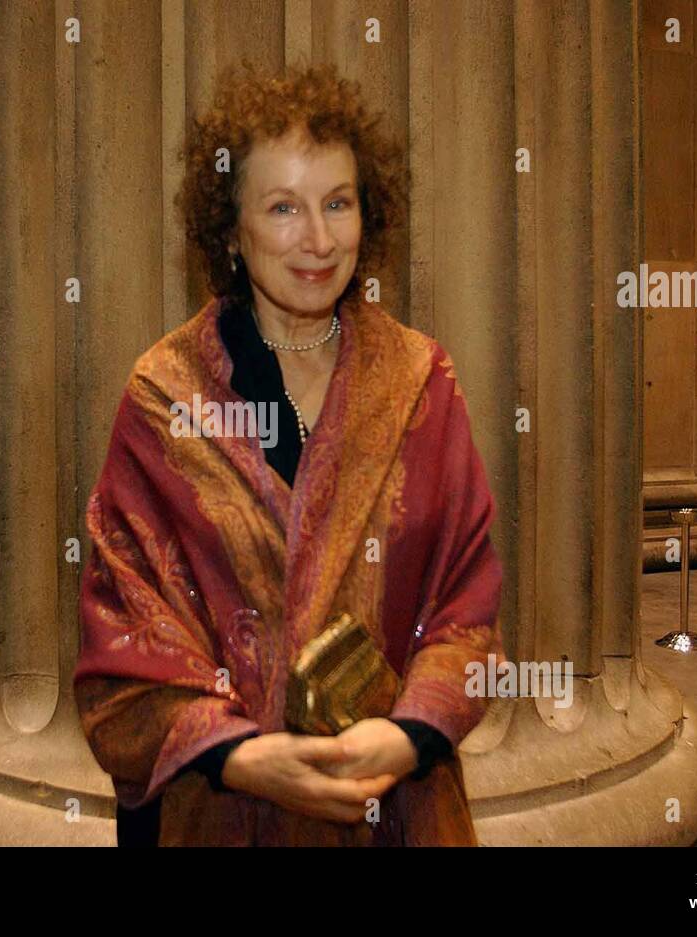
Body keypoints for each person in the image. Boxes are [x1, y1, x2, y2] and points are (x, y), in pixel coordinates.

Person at [74, 62, 503, 846]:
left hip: (393, 807)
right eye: (282, 208)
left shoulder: (420, 383)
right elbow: (122, 632)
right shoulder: (163, 398)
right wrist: (240, 756)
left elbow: (465, 601)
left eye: (337, 203)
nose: (318, 239)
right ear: (231, 230)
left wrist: (410, 734)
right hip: (223, 810)